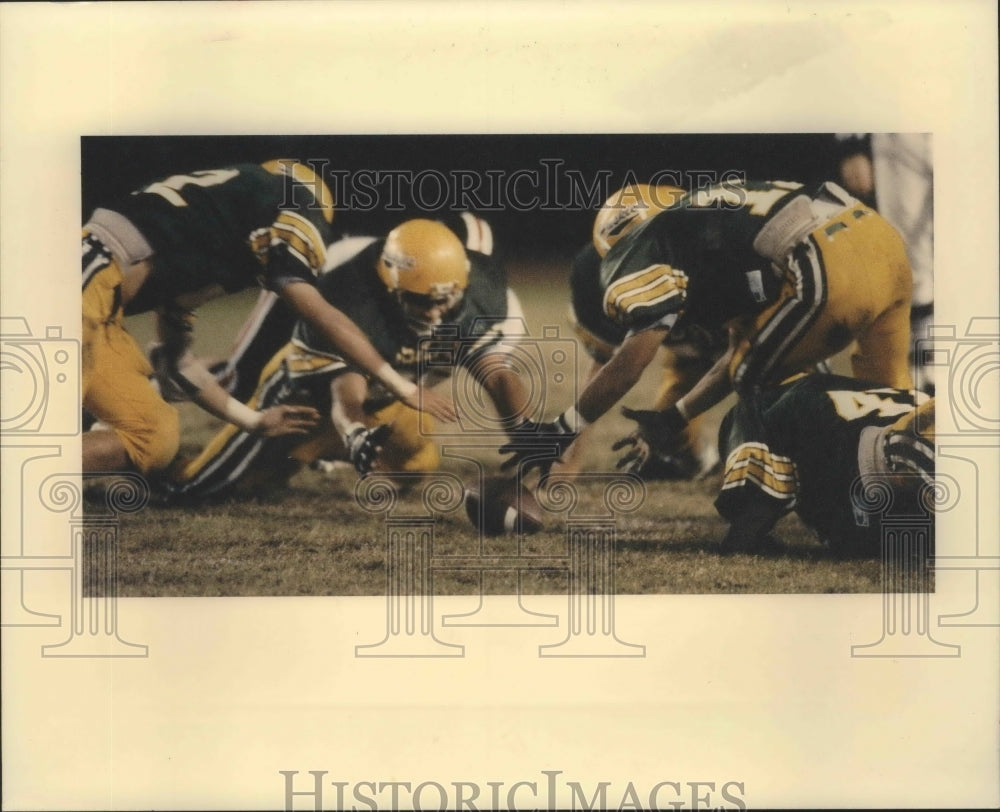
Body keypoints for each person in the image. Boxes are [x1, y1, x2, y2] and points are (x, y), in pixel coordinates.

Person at [501, 177, 914, 478]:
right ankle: (905, 476)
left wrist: (563, 428)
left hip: (826, 261)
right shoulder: (716, 231)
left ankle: (773, 488)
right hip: (881, 239)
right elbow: (741, 347)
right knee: (890, 398)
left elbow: (633, 359)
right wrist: (677, 416)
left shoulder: (649, 240)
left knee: (766, 385)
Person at [81, 160, 455, 476]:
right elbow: (319, 312)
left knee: (154, 437)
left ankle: (30, 469)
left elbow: (175, 362)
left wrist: (253, 421)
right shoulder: (290, 203)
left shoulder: (207, 238)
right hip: (81, 280)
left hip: (103, 309)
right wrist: (400, 385)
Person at [167, 218, 531, 501]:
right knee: (212, 477)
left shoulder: (486, 299)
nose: (434, 314)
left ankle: (329, 451)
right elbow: (346, 390)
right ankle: (166, 391)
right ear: (391, 281)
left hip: (390, 394)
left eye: (445, 300)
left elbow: (497, 375)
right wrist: (356, 432)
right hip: (308, 388)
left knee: (417, 462)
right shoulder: (349, 298)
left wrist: (527, 439)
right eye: (422, 301)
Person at [561, 183, 726, 479]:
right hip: (690, 341)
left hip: (744, 330)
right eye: (625, 258)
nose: (634, 268)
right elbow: (608, 364)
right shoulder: (595, 275)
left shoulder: (724, 260)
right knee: (673, 439)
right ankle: (700, 454)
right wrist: (569, 458)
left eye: (645, 255)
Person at [705, 372, 934, 556]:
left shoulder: (767, 405)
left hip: (865, 471)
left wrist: (743, 534)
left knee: (860, 542)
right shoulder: (883, 390)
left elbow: (750, 522)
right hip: (891, 446)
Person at [836, 133, 935, 394]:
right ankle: (925, 377)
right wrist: (851, 144)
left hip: (966, 123)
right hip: (902, 128)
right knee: (913, 261)